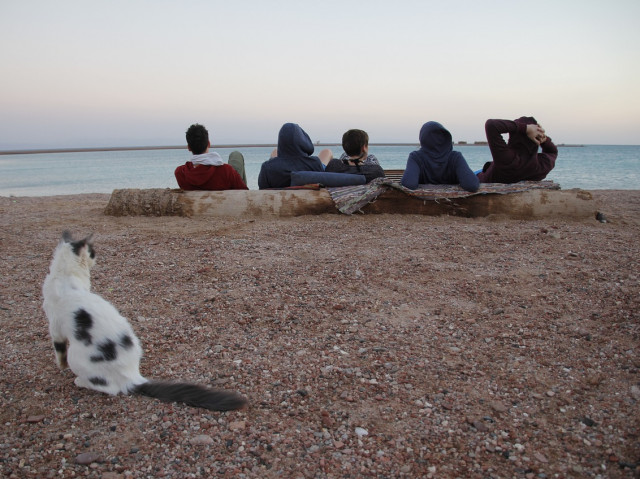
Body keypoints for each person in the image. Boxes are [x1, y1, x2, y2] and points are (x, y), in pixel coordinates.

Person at [401, 121, 479, 192]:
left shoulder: (416, 157)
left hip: (423, 205)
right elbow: (472, 185)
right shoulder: (455, 157)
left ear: (422, 138)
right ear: (446, 138)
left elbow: (409, 184)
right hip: (453, 206)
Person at [478, 117, 558, 183]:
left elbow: (491, 125)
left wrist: (525, 128)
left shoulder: (507, 159)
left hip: (480, 180)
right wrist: (543, 138)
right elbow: (553, 151)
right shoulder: (541, 166)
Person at [174, 124, 248, 191]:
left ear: (189, 148)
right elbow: (245, 193)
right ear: (209, 144)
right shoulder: (226, 171)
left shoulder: (180, 173)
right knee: (236, 155)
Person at [258, 123, 332, 189]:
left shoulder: (267, 168)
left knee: (275, 152)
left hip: (280, 195)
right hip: (308, 198)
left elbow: (262, 189)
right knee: (327, 152)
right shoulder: (315, 163)